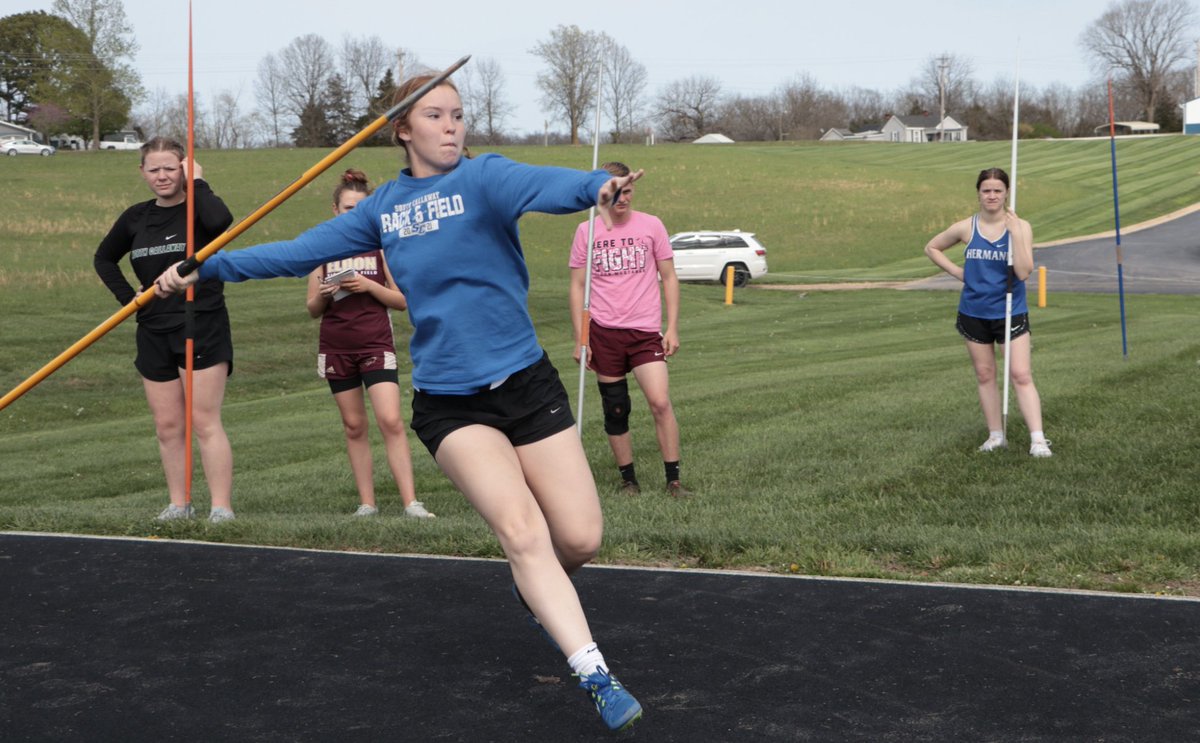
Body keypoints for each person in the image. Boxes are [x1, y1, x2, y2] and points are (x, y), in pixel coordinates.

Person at [155, 74, 643, 731]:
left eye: (458, 114)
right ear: (403, 129)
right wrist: (209, 265)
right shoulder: (382, 209)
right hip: (450, 402)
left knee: (579, 537)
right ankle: (596, 675)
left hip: (527, 384)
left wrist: (598, 187)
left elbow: (549, 186)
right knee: (523, 532)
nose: (452, 126)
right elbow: (297, 254)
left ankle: (534, 586)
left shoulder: (486, 178)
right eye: (435, 115)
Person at [93, 136, 238, 522]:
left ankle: (221, 508)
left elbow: (222, 223)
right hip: (153, 328)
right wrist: (129, 299)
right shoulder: (135, 217)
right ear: (142, 172)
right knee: (167, 426)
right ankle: (179, 504)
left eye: (170, 168)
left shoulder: (198, 209)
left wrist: (198, 182)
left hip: (200, 322)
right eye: (154, 169)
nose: (162, 176)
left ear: (184, 169)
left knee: (204, 421)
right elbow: (104, 258)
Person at [306, 169, 433, 519]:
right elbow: (312, 308)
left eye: (361, 208)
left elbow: (402, 300)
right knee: (354, 426)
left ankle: (411, 502)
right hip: (336, 347)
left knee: (391, 420)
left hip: (376, 344)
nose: (354, 213)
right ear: (335, 210)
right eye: (348, 208)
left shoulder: (382, 246)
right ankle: (367, 503)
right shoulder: (322, 249)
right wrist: (325, 294)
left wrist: (368, 286)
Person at [569, 161, 692, 498]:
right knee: (616, 408)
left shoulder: (651, 225)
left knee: (660, 402)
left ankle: (674, 480)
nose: (622, 198)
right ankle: (629, 480)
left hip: (644, 331)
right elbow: (577, 286)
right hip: (604, 333)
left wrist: (672, 327)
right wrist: (581, 338)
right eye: (615, 192)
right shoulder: (586, 232)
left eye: (627, 191)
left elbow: (669, 277)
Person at [924, 167, 1052, 458]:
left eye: (997, 190)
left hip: (1010, 310)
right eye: (986, 190)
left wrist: (1015, 234)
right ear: (978, 194)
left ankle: (1038, 440)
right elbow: (932, 248)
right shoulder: (966, 228)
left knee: (1020, 374)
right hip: (974, 311)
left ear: (1007, 193)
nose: (992, 195)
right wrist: (960, 273)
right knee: (985, 374)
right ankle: (995, 435)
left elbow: (1024, 272)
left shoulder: (1021, 226)